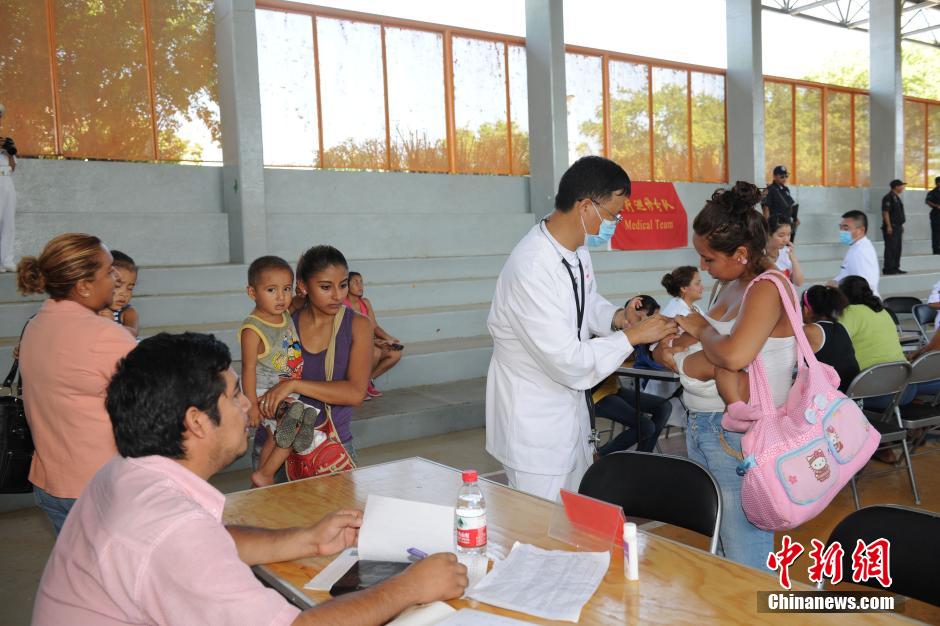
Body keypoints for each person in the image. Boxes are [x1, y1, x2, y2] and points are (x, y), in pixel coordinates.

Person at [32, 332, 468, 625]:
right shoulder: (170, 531)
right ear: (197, 421)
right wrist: (409, 587)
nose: (248, 406)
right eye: (236, 393)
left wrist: (306, 540)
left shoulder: (124, 472)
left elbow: (212, 539)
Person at [485, 156, 676, 501]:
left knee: (573, 525)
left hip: (568, 415)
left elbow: (583, 302)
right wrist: (632, 337)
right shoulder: (532, 267)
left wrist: (618, 318)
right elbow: (566, 360)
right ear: (586, 206)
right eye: (614, 214)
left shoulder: (575, 250)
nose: (615, 222)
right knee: (539, 534)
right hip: (535, 427)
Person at [655, 182, 797, 570]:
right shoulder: (731, 283)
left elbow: (732, 354)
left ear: (740, 252)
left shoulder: (768, 287)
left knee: (746, 552)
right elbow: (703, 345)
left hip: (737, 435)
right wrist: (681, 341)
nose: (702, 266)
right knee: (723, 545)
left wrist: (700, 331)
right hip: (707, 426)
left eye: (708, 258)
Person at [16, 233, 136, 533]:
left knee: (80, 574)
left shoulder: (35, 325)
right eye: (109, 272)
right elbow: (153, 405)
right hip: (98, 486)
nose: (115, 279)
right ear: (83, 286)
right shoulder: (104, 335)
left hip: (51, 484)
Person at [258, 246, 373, 465]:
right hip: (273, 447)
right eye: (325, 287)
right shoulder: (283, 319)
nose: (338, 295)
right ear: (303, 285)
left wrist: (293, 385)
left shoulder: (358, 325)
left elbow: (355, 393)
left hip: (328, 448)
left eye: (343, 285)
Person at [239, 256, 316, 488]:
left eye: (286, 289)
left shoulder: (283, 312)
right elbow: (248, 368)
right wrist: (252, 404)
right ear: (252, 292)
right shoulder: (253, 329)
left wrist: (303, 291)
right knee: (297, 421)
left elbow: (301, 300)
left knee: (276, 435)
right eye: (271, 290)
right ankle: (267, 473)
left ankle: (263, 476)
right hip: (266, 392)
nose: (281, 297)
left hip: (285, 387)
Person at [594, 295, 671, 455]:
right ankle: (599, 457)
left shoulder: (630, 334)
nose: (647, 326)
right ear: (635, 305)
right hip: (595, 395)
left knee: (664, 407)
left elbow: (646, 360)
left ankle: (642, 458)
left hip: (612, 389)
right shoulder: (599, 329)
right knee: (645, 426)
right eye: (646, 319)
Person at [837, 275, 910, 411]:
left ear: (842, 295)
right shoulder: (883, 311)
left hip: (872, 391)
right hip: (903, 388)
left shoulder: (849, 313)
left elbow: (834, 343)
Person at [345, 271, 402, 400]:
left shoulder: (365, 302)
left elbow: (374, 326)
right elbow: (347, 333)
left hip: (371, 341)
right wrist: (373, 342)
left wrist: (388, 338)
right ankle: (358, 385)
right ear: (346, 285)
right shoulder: (343, 305)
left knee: (395, 353)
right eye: (355, 282)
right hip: (353, 344)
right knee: (375, 351)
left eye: (361, 282)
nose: (360, 286)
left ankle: (366, 382)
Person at [800, 285, 860, 393]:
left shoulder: (810, 330)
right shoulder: (841, 328)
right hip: (853, 400)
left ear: (806, 309)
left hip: (831, 404)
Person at [827, 210, 880, 298]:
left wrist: (837, 286)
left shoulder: (861, 251)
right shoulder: (855, 247)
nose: (842, 231)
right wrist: (835, 281)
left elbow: (864, 284)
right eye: (841, 227)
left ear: (861, 230)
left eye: (846, 228)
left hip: (864, 303)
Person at [98, 250, 140, 336]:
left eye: (130, 288)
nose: (124, 294)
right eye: (117, 286)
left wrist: (112, 325)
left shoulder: (128, 312)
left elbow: (133, 333)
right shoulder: (93, 309)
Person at [761, 165, 799, 241]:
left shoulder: (785, 189)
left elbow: (789, 205)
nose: (784, 178)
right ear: (774, 176)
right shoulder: (770, 189)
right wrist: (767, 226)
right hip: (776, 224)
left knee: (787, 248)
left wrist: (795, 218)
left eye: (786, 176)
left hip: (787, 223)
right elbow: (766, 208)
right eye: (782, 176)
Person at [766, 215, 804, 287]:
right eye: (781, 235)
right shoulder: (758, 254)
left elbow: (799, 282)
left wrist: (793, 259)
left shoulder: (786, 252)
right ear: (768, 234)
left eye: (789, 234)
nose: (786, 240)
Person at [0, 103, 16, 272]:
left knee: (8, 222)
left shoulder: (6, 140)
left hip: (7, 180)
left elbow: (13, 167)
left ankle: (7, 260)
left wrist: (9, 152)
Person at [881, 179, 906, 275]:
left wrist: (901, 225)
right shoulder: (888, 197)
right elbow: (885, 212)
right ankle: (888, 268)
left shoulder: (896, 197)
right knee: (891, 248)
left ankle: (895, 267)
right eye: (901, 185)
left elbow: (897, 214)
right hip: (892, 226)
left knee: (897, 248)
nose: (903, 187)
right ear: (896, 187)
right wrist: (888, 226)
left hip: (898, 226)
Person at [927, 176, 940, 255]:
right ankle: (936, 250)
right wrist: (936, 206)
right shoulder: (933, 192)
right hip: (936, 215)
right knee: (936, 233)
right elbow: (928, 201)